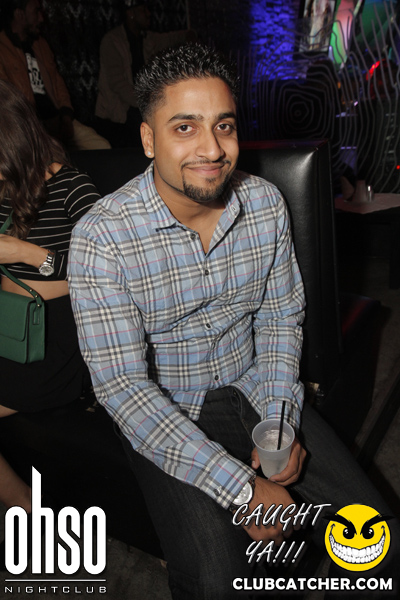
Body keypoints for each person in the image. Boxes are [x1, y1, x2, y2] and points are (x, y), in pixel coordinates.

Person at [68, 43, 399, 599]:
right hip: (168, 408)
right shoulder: (103, 238)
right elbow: (123, 386)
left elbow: (280, 318)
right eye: (185, 127)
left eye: (223, 125)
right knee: (219, 580)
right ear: (148, 139)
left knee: (376, 541)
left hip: (254, 385)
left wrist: (280, 421)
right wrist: (243, 488)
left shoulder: (264, 204)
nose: (212, 148)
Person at [0, 79, 101, 413]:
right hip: (7, 326)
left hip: (52, 339)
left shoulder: (72, 186)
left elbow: (107, 269)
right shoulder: (4, 190)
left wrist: (26, 253)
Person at [0, 0, 111, 151]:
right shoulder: (3, 48)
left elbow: (58, 83)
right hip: (26, 126)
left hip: (56, 120)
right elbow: (6, 102)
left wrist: (66, 116)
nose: (41, 18)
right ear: (19, 14)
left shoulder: (40, 44)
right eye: (36, 12)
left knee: (101, 146)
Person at [95, 0, 195, 147]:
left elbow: (170, 38)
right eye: (143, 10)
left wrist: (190, 34)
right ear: (131, 14)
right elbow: (117, 84)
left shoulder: (147, 38)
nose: (148, 14)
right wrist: (146, 103)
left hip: (139, 108)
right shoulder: (112, 41)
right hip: (116, 116)